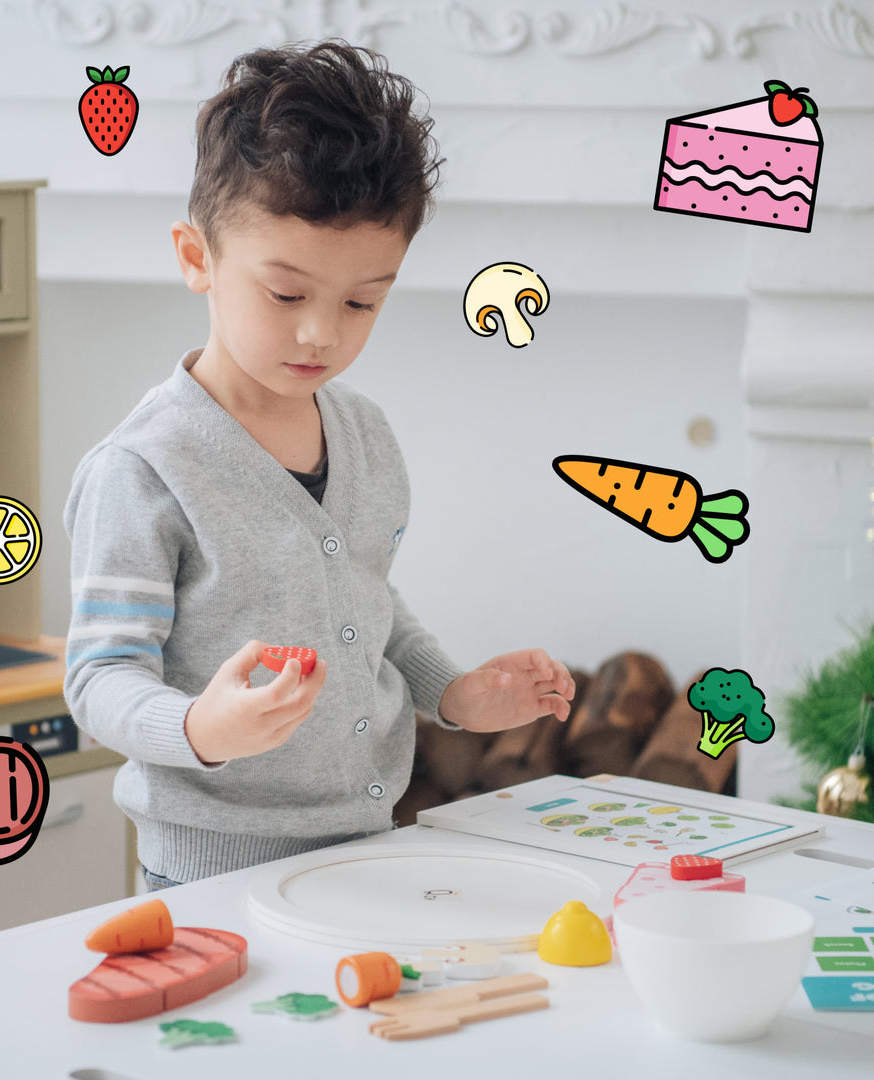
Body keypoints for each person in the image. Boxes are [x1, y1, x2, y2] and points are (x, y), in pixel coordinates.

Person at [63, 39, 574, 891]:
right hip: (209, 879)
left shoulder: (365, 435)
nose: (322, 334)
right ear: (198, 259)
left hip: (366, 849)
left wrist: (452, 693)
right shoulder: (144, 470)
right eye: (287, 294)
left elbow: (370, 604)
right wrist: (199, 729)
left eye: (362, 301)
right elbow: (100, 676)